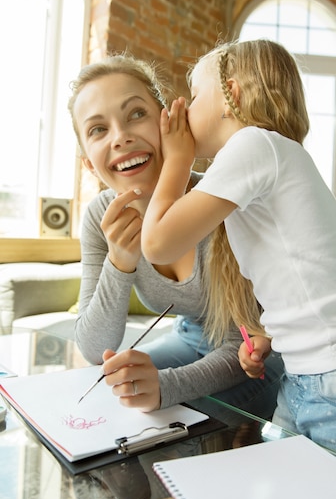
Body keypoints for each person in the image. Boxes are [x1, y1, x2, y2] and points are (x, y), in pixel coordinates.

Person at [140, 39, 336, 499]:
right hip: (315, 378)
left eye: (194, 94)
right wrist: (271, 335)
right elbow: (302, 272)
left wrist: (176, 157)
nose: (182, 108)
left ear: (232, 95)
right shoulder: (264, 159)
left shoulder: (255, 145)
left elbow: (158, 240)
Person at [67, 52, 283, 420]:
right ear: (89, 161)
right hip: (189, 338)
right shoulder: (99, 217)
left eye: (136, 114)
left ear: (168, 121)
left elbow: (243, 342)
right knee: (105, 397)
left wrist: (165, 387)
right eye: (98, 129)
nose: (121, 137)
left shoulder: (220, 201)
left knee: (170, 416)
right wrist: (119, 262)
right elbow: (94, 347)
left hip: (259, 355)